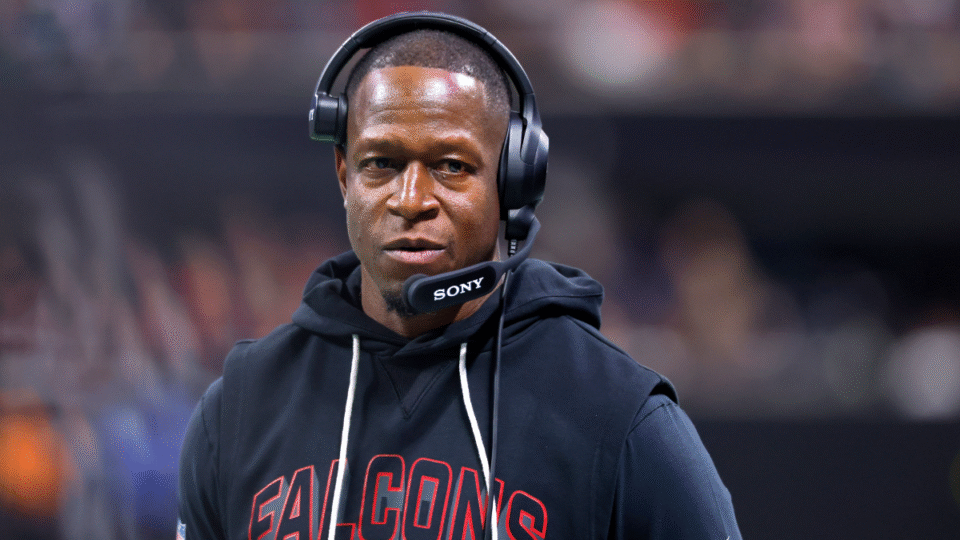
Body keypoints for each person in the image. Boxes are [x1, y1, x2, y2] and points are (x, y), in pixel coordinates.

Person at [177, 12, 741, 540]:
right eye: (381, 163)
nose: (411, 199)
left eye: (451, 166)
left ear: (512, 184)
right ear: (344, 172)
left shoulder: (620, 420)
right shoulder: (239, 411)